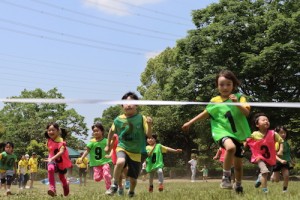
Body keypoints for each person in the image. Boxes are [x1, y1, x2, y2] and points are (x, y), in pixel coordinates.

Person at [182, 69, 251, 193]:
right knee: (230, 148)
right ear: (217, 86)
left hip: (237, 134)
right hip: (221, 131)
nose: (225, 87)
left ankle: (238, 185)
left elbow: (246, 113)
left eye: (228, 84)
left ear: (233, 85)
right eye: (221, 84)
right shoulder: (215, 100)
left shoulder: (240, 97)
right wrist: (190, 122)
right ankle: (225, 177)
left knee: (239, 166)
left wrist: (237, 103)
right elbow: (206, 113)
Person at [105, 91, 153, 197]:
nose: (128, 105)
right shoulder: (118, 119)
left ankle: (131, 191)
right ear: (122, 106)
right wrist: (108, 145)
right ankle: (114, 185)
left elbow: (149, 135)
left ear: (137, 105)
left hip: (136, 152)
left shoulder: (141, 118)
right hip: (123, 147)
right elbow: (111, 131)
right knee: (120, 161)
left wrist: (149, 125)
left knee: (133, 179)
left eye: (132, 102)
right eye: (125, 103)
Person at [245, 113, 284, 193]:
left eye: (267, 120)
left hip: (269, 158)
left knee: (265, 173)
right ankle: (265, 191)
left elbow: (281, 141)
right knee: (265, 172)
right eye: (263, 120)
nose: (266, 121)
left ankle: (260, 178)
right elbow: (247, 141)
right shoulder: (255, 134)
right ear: (257, 125)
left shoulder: (273, 133)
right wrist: (244, 149)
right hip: (259, 157)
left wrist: (280, 150)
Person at [80, 122, 112, 194]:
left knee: (106, 174)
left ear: (102, 131)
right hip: (96, 164)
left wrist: (111, 154)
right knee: (97, 179)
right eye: (94, 131)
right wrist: (82, 157)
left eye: (97, 131)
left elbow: (112, 148)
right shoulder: (91, 142)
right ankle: (104, 176)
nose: (95, 132)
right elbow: (87, 151)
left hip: (105, 162)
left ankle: (109, 189)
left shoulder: (106, 141)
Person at [44, 122, 72, 197]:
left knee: (61, 177)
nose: (51, 132)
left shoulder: (61, 141)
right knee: (50, 169)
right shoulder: (48, 141)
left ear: (57, 131)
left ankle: (66, 185)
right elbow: (51, 151)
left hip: (61, 162)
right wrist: (51, 158)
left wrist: (52, 158)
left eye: (53, 130)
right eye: (49, 130)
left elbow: (62, 152)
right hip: (52, 161)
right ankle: (52, 189)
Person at [270, 125, 294, 192]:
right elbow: (273, 154)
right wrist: (280, 160)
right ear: (277, 133)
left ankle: (285, 190)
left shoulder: (286, 143)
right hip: (277, 162)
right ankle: (273, 175)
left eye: (285, 132)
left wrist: (291, 161)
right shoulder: (276, 143)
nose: (283, 134)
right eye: (281, 132)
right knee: (277, 180)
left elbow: (287, 153)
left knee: (286, 176)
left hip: (285, 162)